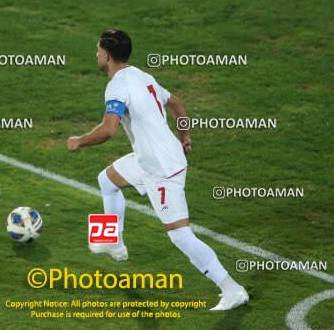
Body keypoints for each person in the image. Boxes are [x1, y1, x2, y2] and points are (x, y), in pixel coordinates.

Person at [66, 30, 248, 311]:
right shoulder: (141, 75)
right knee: (107, 180)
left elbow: (108, 130)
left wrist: (79, 140)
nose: (96, 54)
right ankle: (113, 242)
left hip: (162, 169)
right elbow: (176, 104)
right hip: (151, 157)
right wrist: (184, 136)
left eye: (97, 49)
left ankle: (231, 289)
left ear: (106, 55)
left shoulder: (117, 86)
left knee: (180, 235)